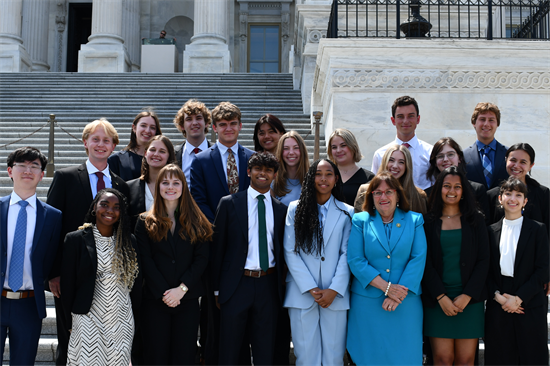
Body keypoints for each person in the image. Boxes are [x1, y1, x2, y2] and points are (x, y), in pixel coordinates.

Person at [46, 118, 129, 366]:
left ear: (113, 146)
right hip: (70, 275)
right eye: (96, 139)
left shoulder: (121, 184)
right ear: (85, 143)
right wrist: (53, 273)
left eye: (106, 140)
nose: (101, 145)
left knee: (104, 343)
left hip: (109, 278)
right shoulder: (66, 177)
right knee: (69, 339)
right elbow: (52, 228)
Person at [190, 101, 254, 365]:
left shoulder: (252, 159)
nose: (228, 129)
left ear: (240, 126)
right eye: (222, 125)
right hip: (215, 243)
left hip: (250, 245)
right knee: (214, 310)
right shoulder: (201, 161)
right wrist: (219, 228)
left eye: (233, 124)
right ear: (213, 128)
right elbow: (198, 200)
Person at [212, 152, 287, 366]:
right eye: (258, 169)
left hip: (268, 285)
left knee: (265, 349)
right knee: (231, 349)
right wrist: (217, 289)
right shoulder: (228, 204)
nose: (262, 173)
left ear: (274, 174)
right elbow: (218, 249)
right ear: (248, 172)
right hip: (236, 285)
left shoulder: (281, 210)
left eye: (268, 170)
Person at [347, 172, 427, 365]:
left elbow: (418, 258)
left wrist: (397, 292)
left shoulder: (415, 220)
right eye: (377, 192)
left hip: (405, 301)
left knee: (406, 356)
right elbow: (355, 259)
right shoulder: (360, 221)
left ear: (398, 195)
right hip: (367, 303)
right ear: (371, 196)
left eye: (388, 192)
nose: (383, 197)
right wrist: (387, 288)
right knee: (369, 356)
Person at [135, 164, 212, 365]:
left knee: (184, 356)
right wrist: (164, 293)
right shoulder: (144, 221)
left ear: (183, 186)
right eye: (165, 182)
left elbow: (201, 259)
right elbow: (145, 260)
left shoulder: (198, 221)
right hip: (154, 301)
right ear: (158, 186)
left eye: (176, 182)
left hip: (187, 301)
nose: (171, 187)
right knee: (155, 355)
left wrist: (181, 289)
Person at [283, 159, 354, 366]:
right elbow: (290, 251)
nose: (323, 178)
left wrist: (334, 289)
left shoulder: (347, 212)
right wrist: (311, 287)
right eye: (318, 173)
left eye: (329, 174)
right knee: (306, 357)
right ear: (310, 178)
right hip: (302, 293)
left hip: (336, 295)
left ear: (336, 179)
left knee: (334, 357)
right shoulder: (295, 209)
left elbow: (346, 253)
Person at [61, 188, 141, 366]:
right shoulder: (76, 240)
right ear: (94, 208)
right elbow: (67, 286)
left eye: (116, 207)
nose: (110, 210)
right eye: (104, 204)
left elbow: (136, 285)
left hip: (121, 318)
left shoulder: (129, 241)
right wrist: (69, 321)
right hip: (87, 315)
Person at [0, 147, 62, 366]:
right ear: (10, 171)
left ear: (42, 175)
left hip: (28, 304)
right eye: (21, 165)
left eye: (34, 166)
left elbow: (53, 256)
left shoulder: (53, 216)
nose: (28, 170)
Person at [422, 166, 489, 366]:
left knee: (466, 361)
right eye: (447, 186)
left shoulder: (476, 220)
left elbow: (484, 260)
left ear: (464, 191)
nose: (452, 191)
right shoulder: (427, 222)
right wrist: (441, 297)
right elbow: (425, 263)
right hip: (437, 301)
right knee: (442, 359)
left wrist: (468, 295)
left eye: (457, 186)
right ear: (438, 189)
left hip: (469, 301)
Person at [485, 177, 550, 366]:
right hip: (499, 302)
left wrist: (518, 298)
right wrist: (499, 297)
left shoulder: (538, 229)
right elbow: (485, 269)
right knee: (499, 357)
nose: (513, 198)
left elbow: (543, 269)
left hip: (529, 302)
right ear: (500, 198)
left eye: (518, 195)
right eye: (508, 193)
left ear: (525, 201)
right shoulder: (490, 231)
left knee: (532, 357)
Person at [486, 143, 550, 238]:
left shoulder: (543, 194)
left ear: (531, 165)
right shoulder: (492, 195)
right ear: (506, 160)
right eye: (513, 160)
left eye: (523, 162)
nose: (516, 166)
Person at [371, 96, 433, 189]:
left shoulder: (430, 153)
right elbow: (375, 187)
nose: (405, 121)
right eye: (400, 117)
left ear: (418, 119)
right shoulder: (380, 155)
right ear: (393, 120)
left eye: (411, 116)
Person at [425, 137, 491, 222]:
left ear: (459, 158)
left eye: (450, 154)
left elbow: (485, 225)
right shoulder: (427, 195)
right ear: (435, 162)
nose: (445, 159)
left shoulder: (477, 190)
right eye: (440, 156)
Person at [355, 144, 427, 214]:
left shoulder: (419, 196)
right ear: (384, 162)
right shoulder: (364, 191)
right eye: (391, 160)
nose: (395, 166)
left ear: (407, 166)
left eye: (401, 162)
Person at [127, 135, 176, 230]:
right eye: (152, 150)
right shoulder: (129, 187)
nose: (156, 154)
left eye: (162, 151)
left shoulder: (177, 188)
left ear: (169, 156)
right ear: (145, 153)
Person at [463, 102, 509, 190]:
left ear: (497, 124)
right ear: (474, 123)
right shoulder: (463, 156)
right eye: (482, 119)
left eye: (491, 120)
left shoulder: (509, 154)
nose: (486, 124)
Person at [108, 110, 162, 181]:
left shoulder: (161, 159)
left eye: (152, 127)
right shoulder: (116, 160)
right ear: (134, 128)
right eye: (143, 125)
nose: (148, 130)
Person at [327, 128, 374, 206]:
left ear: (353, 147)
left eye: (343, 145)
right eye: (334, 147)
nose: (338, 150)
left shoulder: (369, 178)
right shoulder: (326, 176)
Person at [173, 99, 213, 188]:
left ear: (206, 123)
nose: (194, 123)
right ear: (182, 126)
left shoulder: (218, 151)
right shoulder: (172, 154)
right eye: (189, 119)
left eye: (198, 118)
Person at [272, 131, 309, 205]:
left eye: (296, 148)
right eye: (286, 148)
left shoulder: (313, 180)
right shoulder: (273, 184)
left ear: (302, 151)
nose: (291, 152)